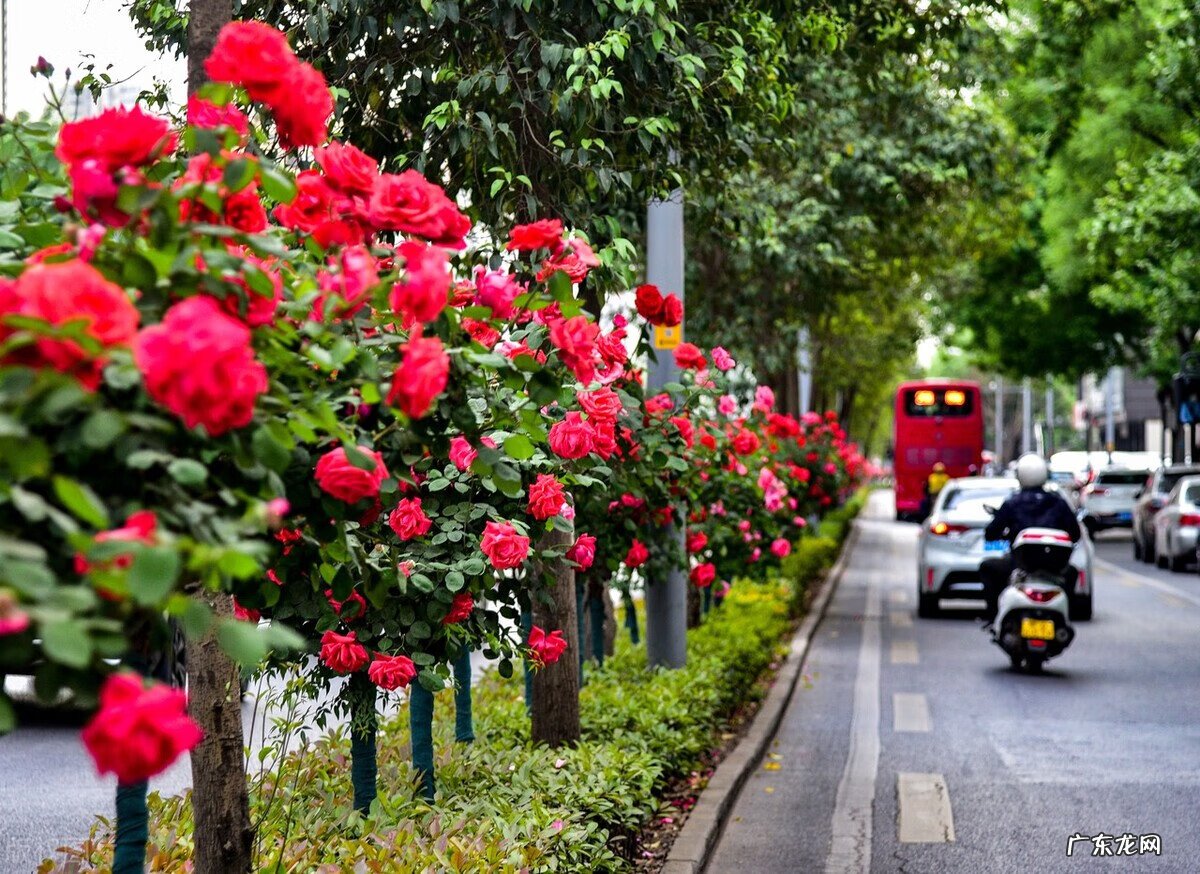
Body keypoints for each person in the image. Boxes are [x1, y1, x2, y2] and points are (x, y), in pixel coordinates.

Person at [980, 453, 1081, 619]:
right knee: (1072, 573)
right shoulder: (1058, 503)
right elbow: (1075, 534)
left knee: (987, 568)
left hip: (1019, 566)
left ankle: (994, 616)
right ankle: (1066, 616)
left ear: (1020, 475)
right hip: (1054, 568)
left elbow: (991, 533)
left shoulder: (1012, 503)